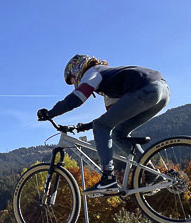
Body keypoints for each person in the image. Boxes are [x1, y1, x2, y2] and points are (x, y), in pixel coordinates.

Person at [37, 54, 170, 196]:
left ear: (78, 68)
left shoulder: (93, 72)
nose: (75, 82)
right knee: (118, 133)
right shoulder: (108, 82)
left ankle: (108, 178)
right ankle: (152, 173)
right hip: (162, 93)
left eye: (73, 79)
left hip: (146, 89)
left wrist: (51, 113)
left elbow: (77, 98)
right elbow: (112, 116)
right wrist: (85, 126)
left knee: (101, 126)